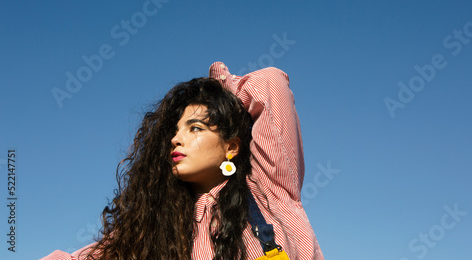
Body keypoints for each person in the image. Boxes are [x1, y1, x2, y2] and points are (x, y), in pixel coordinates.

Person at [40, 61, 324, 260]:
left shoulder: (269, 188)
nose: (176, 139)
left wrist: (218, 90)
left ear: (232, 147)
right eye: (175, 131)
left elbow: (270, 84)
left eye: (195, 128)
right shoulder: (155, 226)